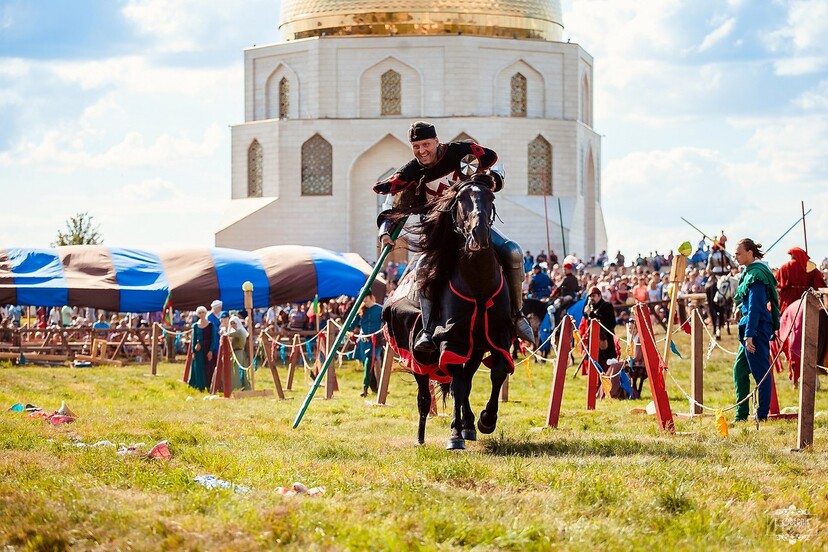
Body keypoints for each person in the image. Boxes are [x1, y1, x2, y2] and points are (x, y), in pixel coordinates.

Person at [373, 120, 534, 352]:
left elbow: (496, 169)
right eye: (416, 146)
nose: (422, 150)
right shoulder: (412, 173)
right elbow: (392, 203)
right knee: (422, 271)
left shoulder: (461, 153)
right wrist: (385, 231)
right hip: (439, 237)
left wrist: (490, 182)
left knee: (512, 252)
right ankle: (428, 331)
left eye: (426, 144)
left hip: (473, 227)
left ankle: (517, 316)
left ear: (437, 141)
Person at [732, 238, 780, 422]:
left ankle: (762, 415)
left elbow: (756, 307)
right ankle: (741, 415)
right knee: (740, 370)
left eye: (738, 253)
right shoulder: (750, 272)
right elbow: (747, 303)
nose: (735, 257)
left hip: (755, 329)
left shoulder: (757, 275)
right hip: (749, 328)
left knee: (761, 373)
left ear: (750, 253)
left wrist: (750, 334)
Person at [775, 246, 826, 314]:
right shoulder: (811, 267)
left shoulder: (786, 266)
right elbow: (819, 284)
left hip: (790, 300)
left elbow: (778, 283)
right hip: (807, 298)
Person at [351, 292, 384, 397]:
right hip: (363, 342)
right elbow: (352, 325)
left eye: (365, 296)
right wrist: (342, 329)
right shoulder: (360, 309)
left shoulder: (380, 309)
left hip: (376, 342)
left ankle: (365, 389)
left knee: (369, 361)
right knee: (368, 365)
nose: (363, 299)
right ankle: (375, 388)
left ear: (370, 296)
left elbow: (387, 324)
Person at [582, 286, 616, 367]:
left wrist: (591, 314)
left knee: (606, 368)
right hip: (593, 341)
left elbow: (610, 323)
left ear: (599, 296)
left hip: (605, 341)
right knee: (594, 367)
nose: (591, 298)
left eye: (593, 296)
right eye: (590, 296)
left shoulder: (607, 306)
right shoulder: (591, 308)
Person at [189, 306, 215, 391]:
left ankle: (209, 385)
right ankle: (199, 386)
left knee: (208, 367)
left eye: (203, 312)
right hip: (199, 349)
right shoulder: (196, 326)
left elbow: (213, 338)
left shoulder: (210, 325)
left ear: (205, 313)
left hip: (208, 348)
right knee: (199, 367)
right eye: (200, 313)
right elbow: (193, 339)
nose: (201, 314)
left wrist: (211, 350)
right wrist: (193, 351)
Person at [226, 315, 251, 391]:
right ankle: (242, 386)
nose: (233, 325)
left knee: (236, 370)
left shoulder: (240, 331)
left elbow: (228, 335)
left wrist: (225, 334)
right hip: (238, 353)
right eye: (232, 323)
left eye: (234, 323)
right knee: (237, 370)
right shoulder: (239, 331)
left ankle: (237, 386)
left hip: (238, 352)